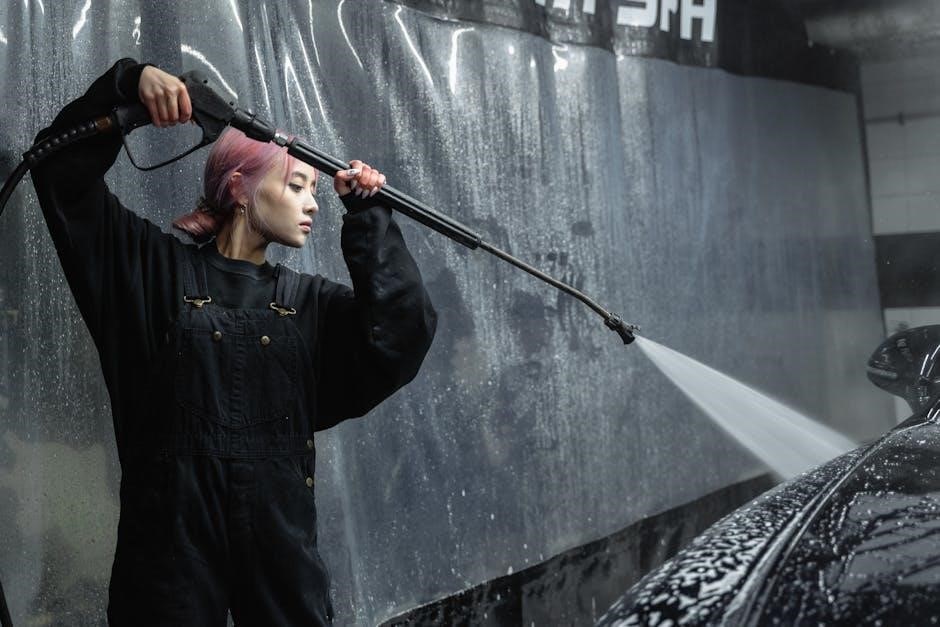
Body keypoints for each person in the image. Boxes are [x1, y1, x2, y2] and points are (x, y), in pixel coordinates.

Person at [30, 58, 437, 625]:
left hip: (282, 551)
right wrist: (127, 84)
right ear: (240, 186)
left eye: (315, 190)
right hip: (168, 556)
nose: (313, 203)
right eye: (296, 185)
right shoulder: (149, 274)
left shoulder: (312, 307)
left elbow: (402, 333)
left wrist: (369, 218)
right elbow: (58, 171)